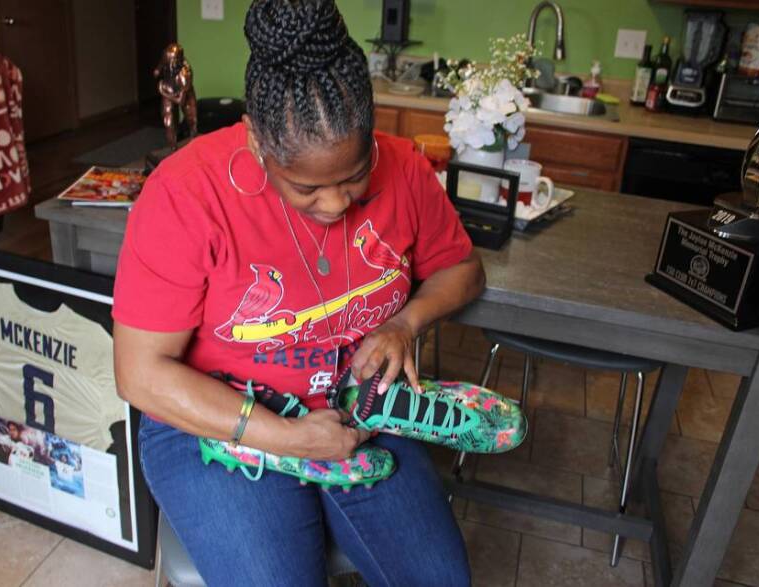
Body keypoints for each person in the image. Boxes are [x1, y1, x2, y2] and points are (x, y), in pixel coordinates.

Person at [112, 1, 485, 584]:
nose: (336, 204)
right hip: (215, 422)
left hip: (360, 408)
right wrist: (286, 437)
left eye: (355, 175)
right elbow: (140, 374)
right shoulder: (186, 194)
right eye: (307, 187)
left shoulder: (406, 168)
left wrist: (405, 323)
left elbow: (463, 268)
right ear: (258, 140)